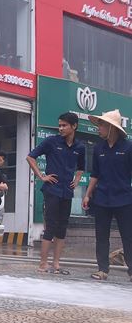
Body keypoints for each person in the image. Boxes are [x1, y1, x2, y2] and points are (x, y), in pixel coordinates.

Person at [26, 112, 85, 274]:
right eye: (59, 125)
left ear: (74, 126)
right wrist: (41, 176)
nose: (61, 128)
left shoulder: (80, 147)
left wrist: (77, 180)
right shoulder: (51, 142)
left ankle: (56, 263)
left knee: (62, 228)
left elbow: (81, 167)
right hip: (52, 190)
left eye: (64, 125)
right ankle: (43, 264)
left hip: (67, 192)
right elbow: (30, 157)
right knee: (50, 226)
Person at [81, 109, 132, 281]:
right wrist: (87, 195)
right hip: (102, 199)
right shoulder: (98, 148)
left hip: (124, 199)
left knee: (128, 236)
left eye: (101, 125)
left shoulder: (128, 147)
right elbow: (95, 174)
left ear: (112, 127)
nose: (98, 128)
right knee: (101, 236)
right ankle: (102, 269)